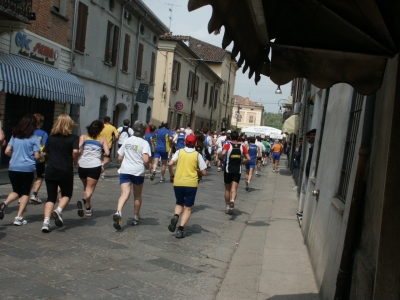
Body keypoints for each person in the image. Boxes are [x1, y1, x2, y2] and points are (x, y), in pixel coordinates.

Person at [41, 114, 80, 232]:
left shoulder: (51, 137)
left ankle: (46, 223)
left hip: (51, 169)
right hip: (65, 169)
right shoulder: (73, 138)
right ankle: (58, 210)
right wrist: (75, 162)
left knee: (50, 197)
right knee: (67, 194)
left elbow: (46, 152)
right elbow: (75, 151)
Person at [0, 115, 41, 225]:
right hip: (28, 168)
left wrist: (15, 157)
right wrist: (40, 157)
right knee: (25, 192)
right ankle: (19, 217)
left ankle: (5, 202)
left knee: (16, 190)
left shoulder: (15, 136)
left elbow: (7, 151)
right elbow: (37, 156)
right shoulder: (34, 138)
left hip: (13, 167)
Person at [113, 121, 151, 229]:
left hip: (125, 170)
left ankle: (118, 212)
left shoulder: (127, 141)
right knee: (137, 195)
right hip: (138, 171)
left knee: (124, 194)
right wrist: (148, 166)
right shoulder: (144, 143)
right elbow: (145, 159)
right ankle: (135, 217)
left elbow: (120, 157)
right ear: (144, 131)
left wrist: (126, 162)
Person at [167, 135, 207, 238]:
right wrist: (198, 171)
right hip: (191, 183)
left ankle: (176, 216)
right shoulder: (197, 155)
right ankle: (180, 230)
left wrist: (172, 175)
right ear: (195, 143)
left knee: (179, 203)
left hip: (178, 181)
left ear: (185, 142)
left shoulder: (179, 152)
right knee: (188, 208)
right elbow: (204, 172)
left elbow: (170, 163)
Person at [77, 120, 110, 218]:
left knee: (86, 188)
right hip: (94, 165)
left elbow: (78, 149)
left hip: (82, 164)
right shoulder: (102, 139)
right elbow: (107, 153)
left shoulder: (83, 137)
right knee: (90, 188)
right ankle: (83, 201)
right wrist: (102, 152)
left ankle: (88, 209)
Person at [219, 131, 250, 214]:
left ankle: (227, 206)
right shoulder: (242, 146)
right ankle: (232, 200)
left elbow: (223, 153)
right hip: (237, 170)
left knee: (227, 189)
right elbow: (249, 158)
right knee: (234, 189)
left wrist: (221, 158)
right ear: (238, 137)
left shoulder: (227, 145)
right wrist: (243, 161)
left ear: (230, 137)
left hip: (228, 169)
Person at [30, 113, 48, 204]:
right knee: (40, 176)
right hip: (40, 158)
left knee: (28, 177)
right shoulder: (43, 133)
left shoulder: (27, 131)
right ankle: (35, 194)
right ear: (40, 123)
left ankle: (22, 195)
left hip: (28, 157)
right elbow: (44, 146)